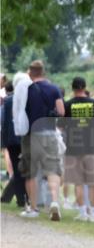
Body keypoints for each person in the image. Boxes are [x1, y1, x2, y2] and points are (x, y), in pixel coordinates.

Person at [20, 60, 66, 220]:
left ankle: (33, 208)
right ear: (43, 72)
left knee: (30, 172)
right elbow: (61, 111)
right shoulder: (53, 88)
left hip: (30, 134)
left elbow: (20, 112)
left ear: (30, 73)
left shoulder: (26, 89)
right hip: (50, 133)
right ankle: (54, 202)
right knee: (52, 169)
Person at [62, 77, 94, 221]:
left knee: (78, 183)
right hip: (92, 146)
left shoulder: (67, 105)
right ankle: (93, 213)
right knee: (93, 182)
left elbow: (61, 125)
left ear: (72, 88)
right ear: (85, 87)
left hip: (73, 148)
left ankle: (82, 213)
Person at [1, 76, 28, 208]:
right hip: (24, 137)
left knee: (17, 171)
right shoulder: (26, 99)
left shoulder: (6, 102)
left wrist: (4, 142)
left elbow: (4, 122)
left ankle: (20, 200)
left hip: (11, 139)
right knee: (26, 168)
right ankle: (27, 197)